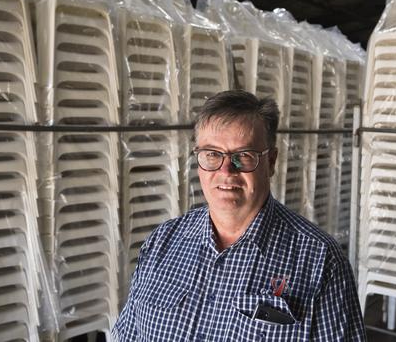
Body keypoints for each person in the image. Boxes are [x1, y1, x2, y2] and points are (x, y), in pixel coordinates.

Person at [112, 90, 366, 341]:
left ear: (271, 162)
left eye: (243, 156)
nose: (226, 170)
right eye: (212, 154)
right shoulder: (162, 243)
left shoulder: (320, 259)